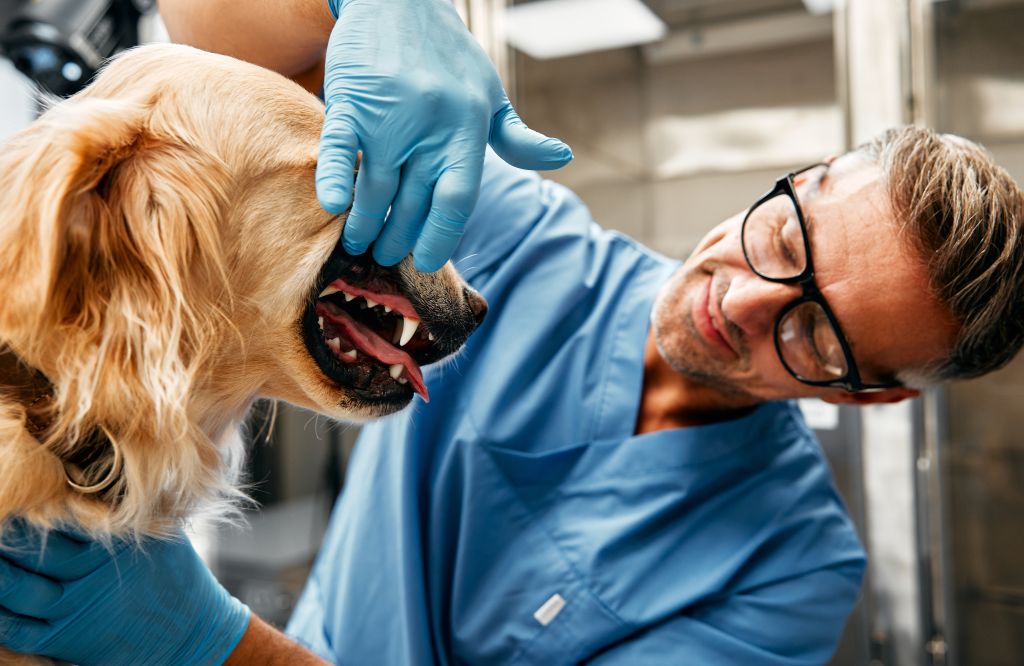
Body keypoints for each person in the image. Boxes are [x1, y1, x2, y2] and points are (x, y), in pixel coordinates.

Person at [2, 1, 1023, 664]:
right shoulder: (512, 240)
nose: (744, 298)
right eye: (782, 232)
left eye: (812, 333)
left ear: (870, 394)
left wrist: (208, 642)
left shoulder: (785, 571)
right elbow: (215, 42)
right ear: (794, 180)